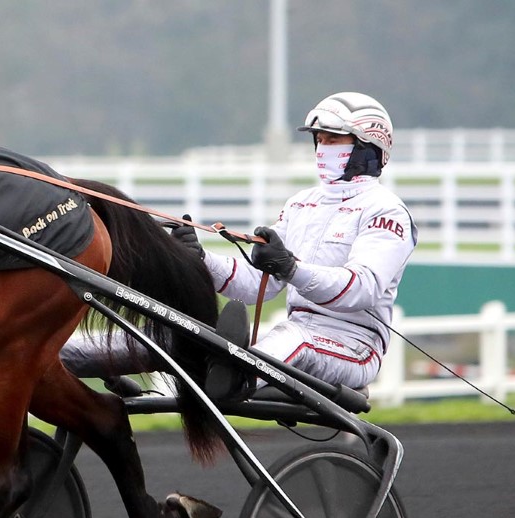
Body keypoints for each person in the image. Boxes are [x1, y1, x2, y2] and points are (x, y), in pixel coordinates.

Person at [175, 91, 417, 398]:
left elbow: (361, 289)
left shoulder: (386, 211)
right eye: (320, 140)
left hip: (355, 346)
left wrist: (290, 268)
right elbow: (255, 284)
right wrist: (199, 259)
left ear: (367, 147)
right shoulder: (301, 205)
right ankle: (220, 366)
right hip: (296, 333)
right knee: (284, 335)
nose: (322, 149)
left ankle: (233, 378)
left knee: (295, 339)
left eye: (333, 140)